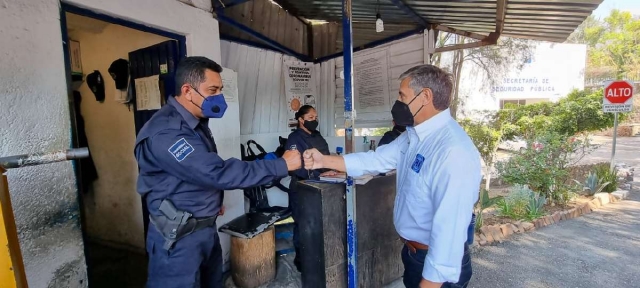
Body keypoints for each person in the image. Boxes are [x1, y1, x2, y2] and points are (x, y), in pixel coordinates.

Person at [303, 64, 481, 288]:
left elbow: (449, 234)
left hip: (436, 269)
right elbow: (375, 160)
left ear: (425, 96)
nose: (398, 102)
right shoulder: (414, 135)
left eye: (402, 95)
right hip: (413, 255)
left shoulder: (453, 151)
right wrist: (323, 160)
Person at [134, 56, 301, 288]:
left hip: (203, 229)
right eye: (212, 90)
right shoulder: (167, 132)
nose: (219, 97)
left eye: (220, 90)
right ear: (187, 90)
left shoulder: (196, 123)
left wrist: (211, 200)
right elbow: (216, 172)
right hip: (178, 240)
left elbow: (195, 173)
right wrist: (281, 165)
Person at [284, 105, 330, 272]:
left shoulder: (317, 136)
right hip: (301, 187)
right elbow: (295, 166)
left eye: (315, 117)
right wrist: (319, 172)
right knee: (303, 225)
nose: (314, 120)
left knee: (318, 224)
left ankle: (317, 258)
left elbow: (326, 157)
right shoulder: (294, 138)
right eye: (310, 117)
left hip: (321, 185)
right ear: (301, 120)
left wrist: (331, 169)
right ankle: (302, 262)